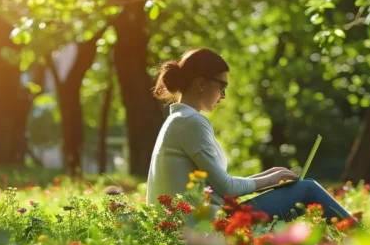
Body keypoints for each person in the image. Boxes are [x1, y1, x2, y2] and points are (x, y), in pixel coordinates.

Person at [145, 48, 353, 223]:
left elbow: (219, 186)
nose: (224, 96)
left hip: (196, 222)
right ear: (201, 84)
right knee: (306, 190)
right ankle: (367, 242)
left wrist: (267, 176)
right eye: (222, 86)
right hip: (204, 228)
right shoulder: (191, 122)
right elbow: (227, 189)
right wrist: (271, 178)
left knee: (300, 190)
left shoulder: (180, 120)